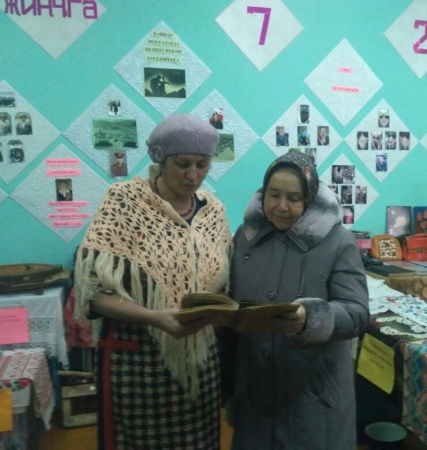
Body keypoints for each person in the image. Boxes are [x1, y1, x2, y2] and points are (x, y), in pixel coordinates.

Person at [73, 114, 232, 450]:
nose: (193, 175)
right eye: (182, 164)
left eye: (202, 164)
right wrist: (155, 318)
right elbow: (92, 294)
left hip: (200, 357)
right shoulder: (124, 202)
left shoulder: (213, 212)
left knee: (199, 442)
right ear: (160, 159)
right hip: (137, 360)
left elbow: (221, 285)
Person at [226, 151, 369, 449]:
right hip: (254, 393)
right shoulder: (245, 238)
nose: (281, 206)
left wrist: (310, 318)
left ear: (310, 198)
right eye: (274, 195)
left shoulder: (338, 242)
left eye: (293, 198)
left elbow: (356, 313)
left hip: (312, 396)